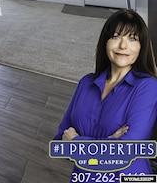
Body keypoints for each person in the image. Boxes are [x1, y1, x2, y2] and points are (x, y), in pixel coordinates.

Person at [55, 9, 157, 179]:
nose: (123, 45)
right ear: (105, 42)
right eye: (116, 36)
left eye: (132, 39)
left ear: (142, 46)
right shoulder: (86, 83)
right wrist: (110, 142)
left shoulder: (149, 87)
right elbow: (59, 142)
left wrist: (76, 142)